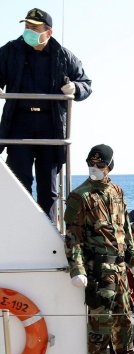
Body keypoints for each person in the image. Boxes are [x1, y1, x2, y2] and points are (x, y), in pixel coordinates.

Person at [64, 144, 134, 354]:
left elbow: (125, 228)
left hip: (120, 268)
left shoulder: (117, 192)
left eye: (100, 166)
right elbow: (73, 237)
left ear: (109, 167)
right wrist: (77, 269)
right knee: (100, 324)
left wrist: (133, 262)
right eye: (92, 165)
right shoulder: (79, 196)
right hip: (98, 270)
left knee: (124, 317)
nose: (95, 170)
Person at [0, 8, 92, 220]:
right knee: (19, 181)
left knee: (48, 187)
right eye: (26, 27)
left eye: (34, 28)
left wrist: (76, 88)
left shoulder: (64, 55)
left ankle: (47, 231)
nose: (28, 31)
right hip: (18, 124)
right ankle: (19, 227)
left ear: (48, 32)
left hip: (50, 125)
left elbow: (86, 84)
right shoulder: (9, 51)